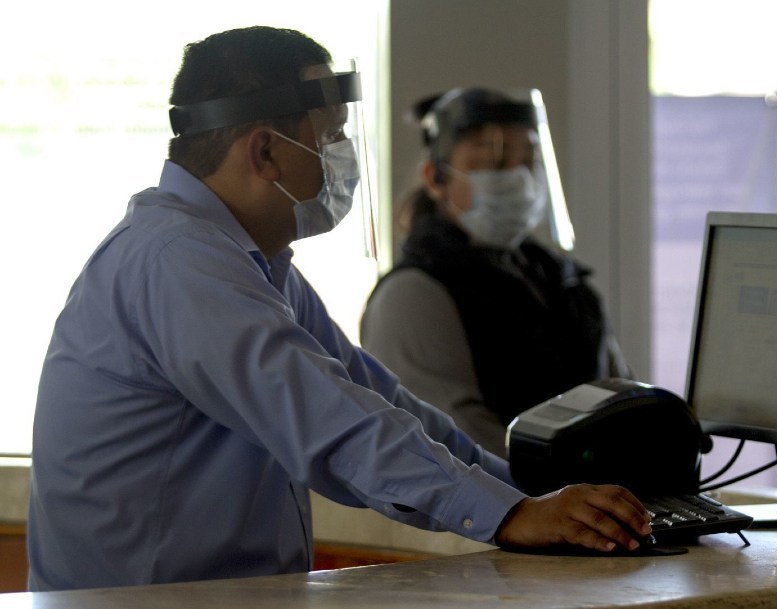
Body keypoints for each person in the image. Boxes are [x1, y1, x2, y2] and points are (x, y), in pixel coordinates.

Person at [27, 27, 652, 592]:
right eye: (329, 138)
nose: (344, 157)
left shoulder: (251, 264)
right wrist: (512, 516)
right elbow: (332, 422)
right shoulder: (178, 261)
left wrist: (528, 494)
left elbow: (377, 399)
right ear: (264, 153)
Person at [360, 88, 632, 455]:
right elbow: (458, 442)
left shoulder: (563, 280)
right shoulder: (414, 294)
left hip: (596, 502)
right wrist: (569, 488)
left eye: (528, 162)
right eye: (495, 163)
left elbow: (622, 396)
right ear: (435, 178)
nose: (517, 179)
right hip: (510, 508)